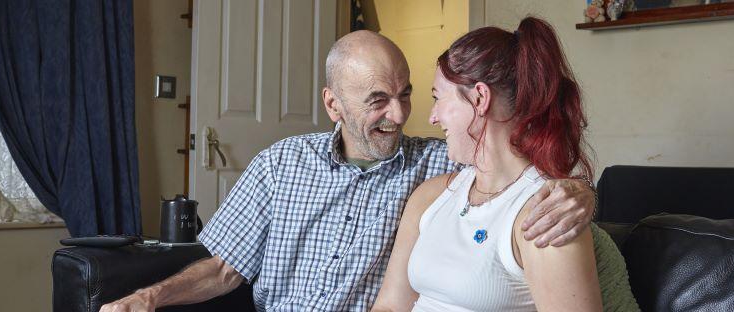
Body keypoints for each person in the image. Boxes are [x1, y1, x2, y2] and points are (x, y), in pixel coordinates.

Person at [100, 30, 597, 312]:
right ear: (333, 104)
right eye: (378, 101)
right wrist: (149, 298)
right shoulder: (281, 164)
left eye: (407, 95)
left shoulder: (432, 165)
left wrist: (577, 189)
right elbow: (227, 266)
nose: (401, 116)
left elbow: (510, 168)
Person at [372, 17, 639, 311]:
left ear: (480, 99)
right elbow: (390, 306)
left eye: (438, 99)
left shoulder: (546, 217)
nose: (432, 117)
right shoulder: (429, 197)